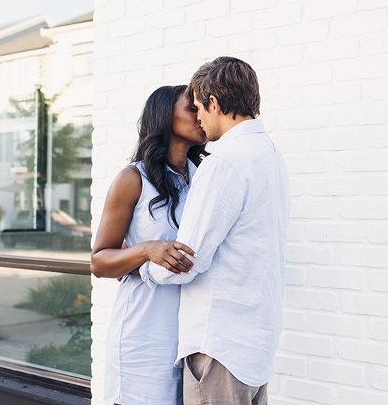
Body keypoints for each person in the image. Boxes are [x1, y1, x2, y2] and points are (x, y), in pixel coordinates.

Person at [139, 56, 290, 405]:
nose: (199, 119)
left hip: (220, 346)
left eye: (198, 108)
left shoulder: (224, 162)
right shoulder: (270, 154)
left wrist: (142, 265)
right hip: (255, 344)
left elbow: (189, 258)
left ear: (215, 103)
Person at [91, 85, 208, 405]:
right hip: (143, 332)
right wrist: (145, 249)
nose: (200, 115)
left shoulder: (203, 178)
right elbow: (99, 262)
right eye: (191, 108)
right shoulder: (133, 179)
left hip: (190, 334)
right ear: (163, 114)